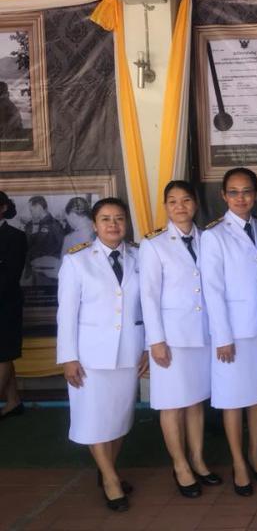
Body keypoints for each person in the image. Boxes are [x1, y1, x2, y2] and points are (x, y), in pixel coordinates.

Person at [56, 197, 148, 512]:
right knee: (94, 418)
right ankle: (110, 479)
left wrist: (147, 346)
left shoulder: (139, 256)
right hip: (90, 356)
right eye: (106, 219)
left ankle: (107, 469)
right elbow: (66, 314)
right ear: (94, 225)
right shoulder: (77, 260)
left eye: (119, 218)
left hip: (128, 351)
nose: (113, 224)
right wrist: (68, 357)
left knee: (119, 418)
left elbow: (147, 306)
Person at [139, 181, 220, 499]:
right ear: (165, 206)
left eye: (186, 200)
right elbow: (148, 296)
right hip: (171, 338)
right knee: (172, 403)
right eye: (173, 201)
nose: (180, 206)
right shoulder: (154, 244)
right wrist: (155, 341)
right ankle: (180, 465)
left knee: (196, 400)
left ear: (195, 203)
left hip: (202, 333)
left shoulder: (208, 238)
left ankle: (198, 459)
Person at [200, 167, 257, 497]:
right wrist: (223, 337)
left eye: (246, 192)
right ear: (223, 196)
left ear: (255, 195)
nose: (240, 198)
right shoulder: (214, 235)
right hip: (233, 333)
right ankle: (239, 463)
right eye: (233, 192)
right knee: (232, 400)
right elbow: (212, 290)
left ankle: (255, 455)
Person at [0, 192, 27, 420]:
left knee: (3, 354)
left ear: (3, 208)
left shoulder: (15, 237)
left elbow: (10, 276)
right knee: (3, 353)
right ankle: (13, 401)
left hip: (5, 304)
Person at [25, 195, 64, 285]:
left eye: (31, 210)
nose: (31, 213)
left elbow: (62, 247)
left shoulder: (55, 225)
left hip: (48, 272)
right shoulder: (31, 225)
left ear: (38, 207)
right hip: (34, 271)